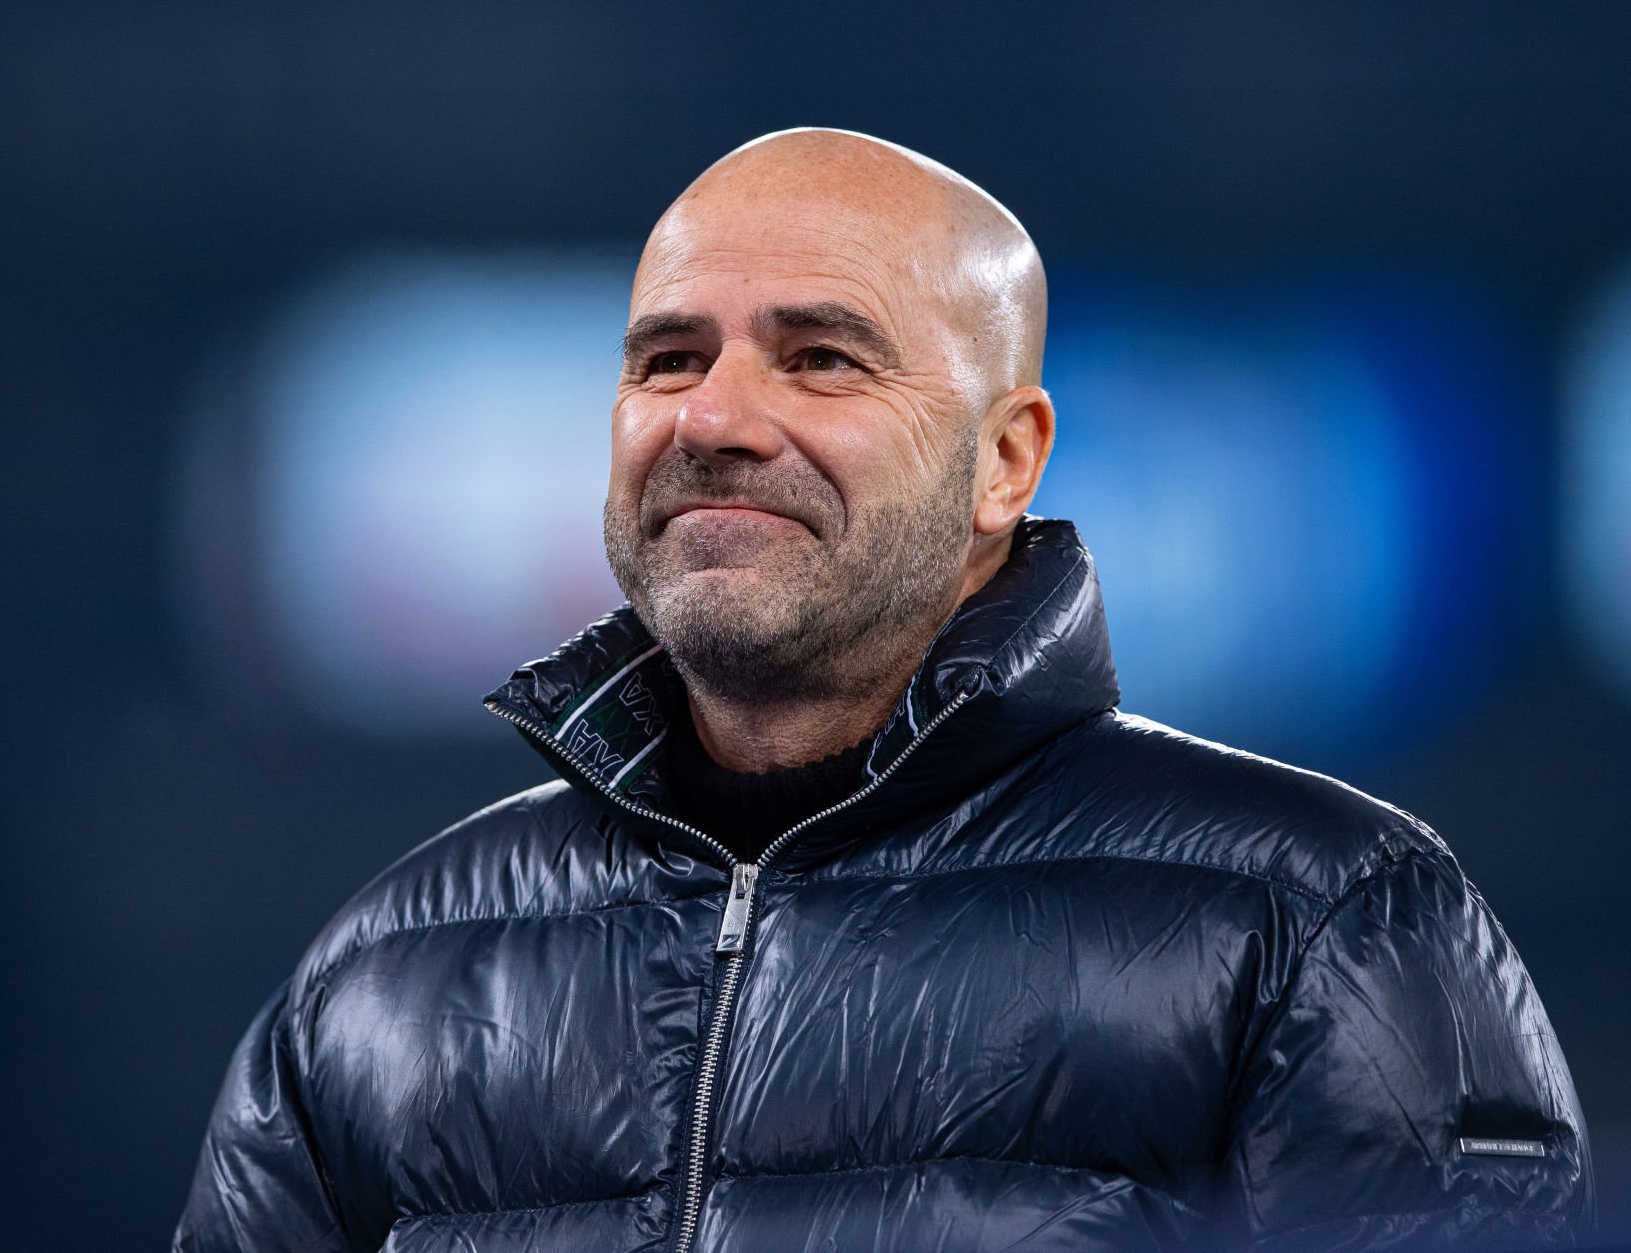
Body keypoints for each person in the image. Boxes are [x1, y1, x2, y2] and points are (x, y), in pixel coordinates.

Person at [173, 129, 1592, 1251]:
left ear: (1005, 460)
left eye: (821, 359)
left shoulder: (1315, 919)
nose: (714, 417)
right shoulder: (381, 977)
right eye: (669, 359)